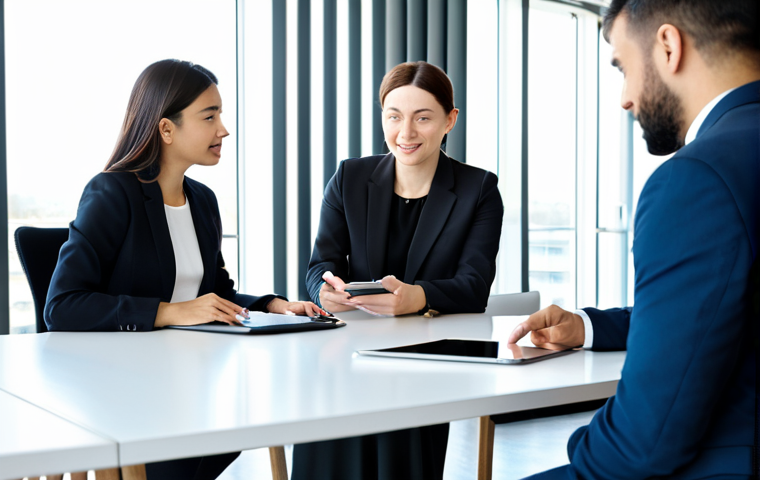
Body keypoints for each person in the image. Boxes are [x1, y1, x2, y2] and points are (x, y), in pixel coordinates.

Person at [509, 0, 760, 478]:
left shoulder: (698, 178)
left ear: (668, 46)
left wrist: (578, 446)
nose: (625, 97)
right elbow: (730, 311)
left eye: (624, 67)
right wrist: (587, 326)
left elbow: (643, 445)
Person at [44, 59, 325, 479]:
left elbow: (216, 295)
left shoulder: (203, 201)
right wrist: (170, 311)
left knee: (250, 417)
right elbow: (62, 307)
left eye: (221, 115)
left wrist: (274, 304)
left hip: (187, 380)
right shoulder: (112, 192)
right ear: (166, 129)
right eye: (209, 116)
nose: (223, 130)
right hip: (120, 388)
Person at [291, 61, 504, 480]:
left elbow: (474, 286)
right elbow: (321, 265)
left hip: (428, 354)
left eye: (422, 118)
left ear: (450, 120)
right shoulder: (350, 177)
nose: (405, 133)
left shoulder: (478, 189)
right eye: (394, 116)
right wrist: (324, 291)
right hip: (349, 348)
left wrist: (418, 297)